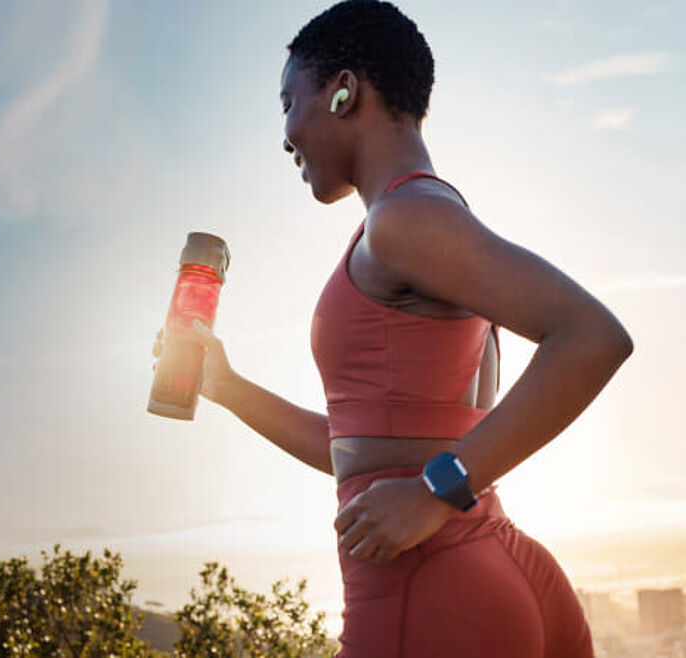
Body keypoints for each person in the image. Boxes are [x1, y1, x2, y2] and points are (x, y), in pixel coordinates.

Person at [157, 1, 632, 655]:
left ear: (344, 91)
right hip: (485, 566)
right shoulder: (418, 218)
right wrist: (228, 386)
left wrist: (434, 493)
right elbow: (364, 449)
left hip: (430, 586)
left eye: (288, 101)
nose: (285, 132)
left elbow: (592, 338)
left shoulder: (404, 220)